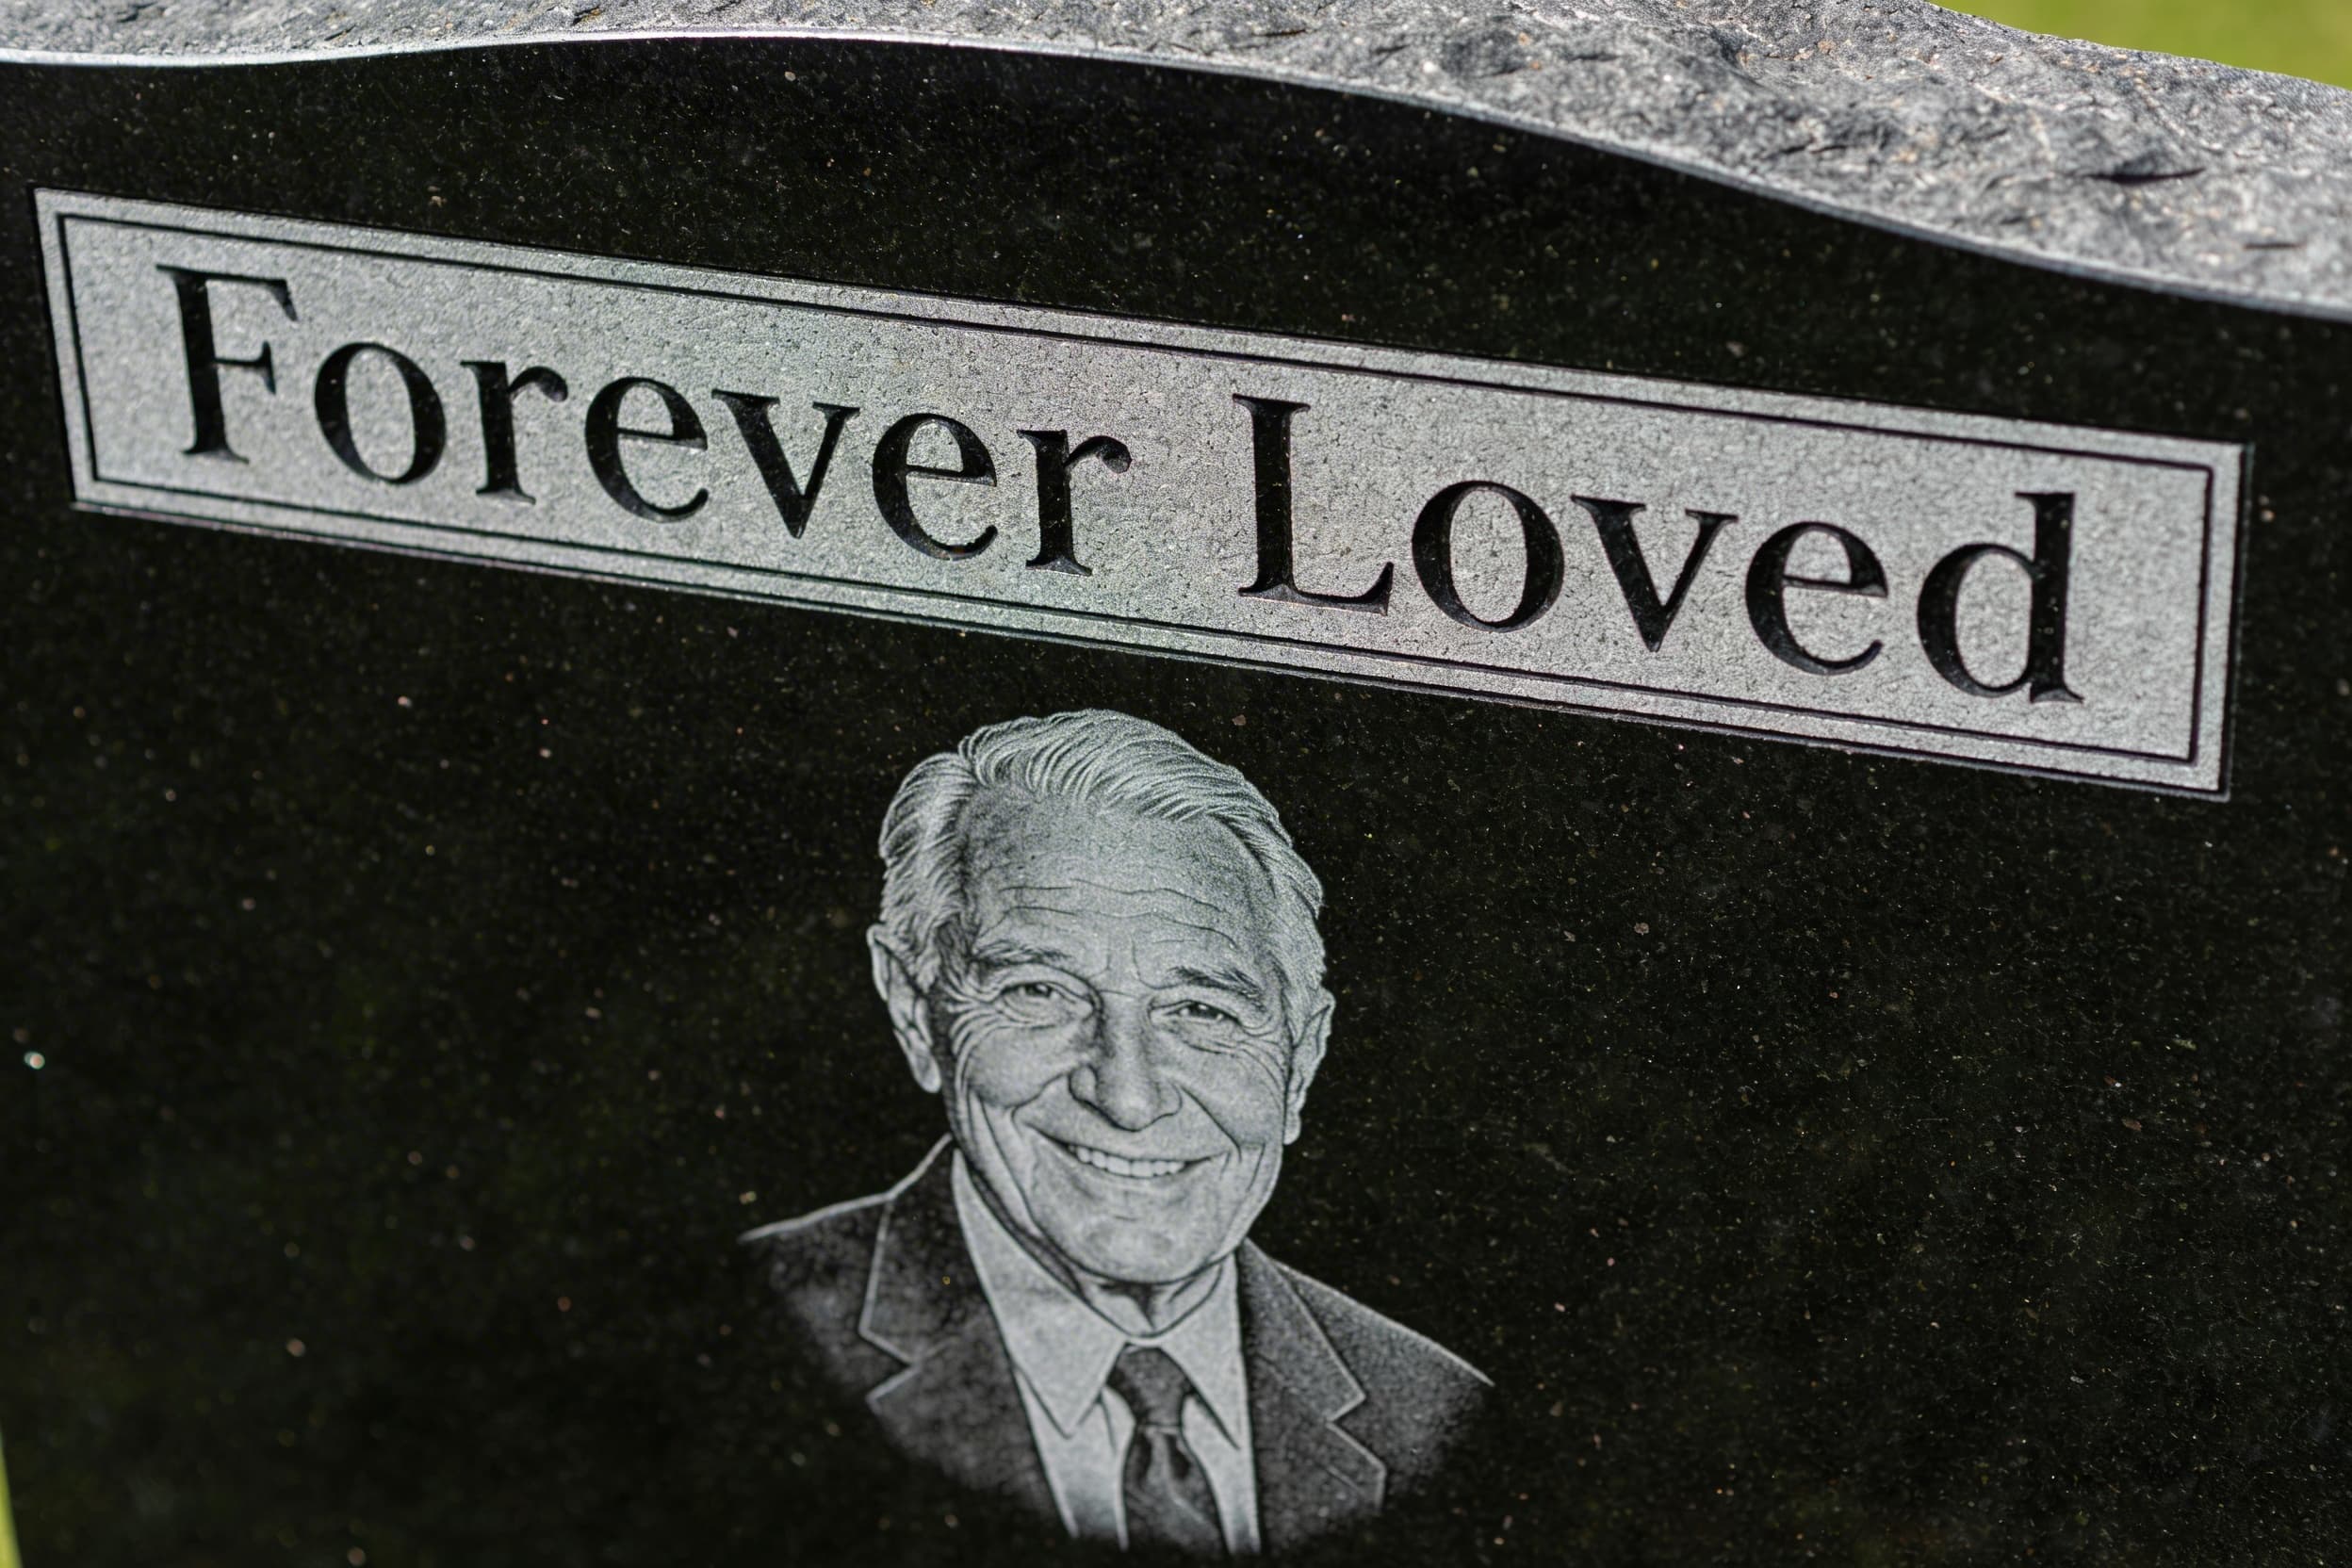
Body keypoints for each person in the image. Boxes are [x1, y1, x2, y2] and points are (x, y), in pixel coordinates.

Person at [743, 710, 1488, 1556]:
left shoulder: (1440, 1411)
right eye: (1039, 992)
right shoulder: (740, 1338)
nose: (1127, 1096)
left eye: (1202, 1010)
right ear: (917, 1012)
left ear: (1302, 1060)